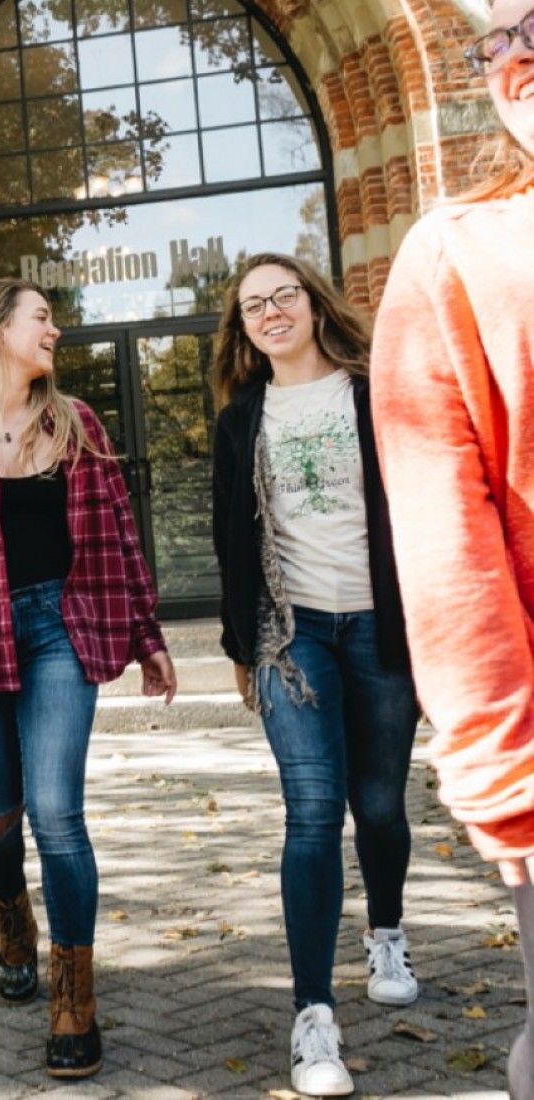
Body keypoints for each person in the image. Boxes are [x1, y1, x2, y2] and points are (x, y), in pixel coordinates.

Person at [0, 277, 176, 1079]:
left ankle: (73, 997)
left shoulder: (76, 423)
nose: (55, 330)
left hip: (63, 627)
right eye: (42, 318)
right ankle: (13, 925)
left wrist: (148, 635)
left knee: (57, 814)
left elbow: (121, 537)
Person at [371, 4, 534, 1095]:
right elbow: (447, 560)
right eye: (498, 35)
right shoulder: (454, 263)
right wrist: (508, 790)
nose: (513, 57)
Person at [211, 253, 419, 1097]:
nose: (270, 312)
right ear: (244, 328)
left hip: (381, 625)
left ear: (311, 302)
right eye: (253, 305)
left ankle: (388, 932)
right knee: (311, 811)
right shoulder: (240, 420)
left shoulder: (376, 391)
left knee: (377, 804)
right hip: (291, 635)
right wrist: (239, 647)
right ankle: (313, 1019)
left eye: (282, 295)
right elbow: (232, 540)